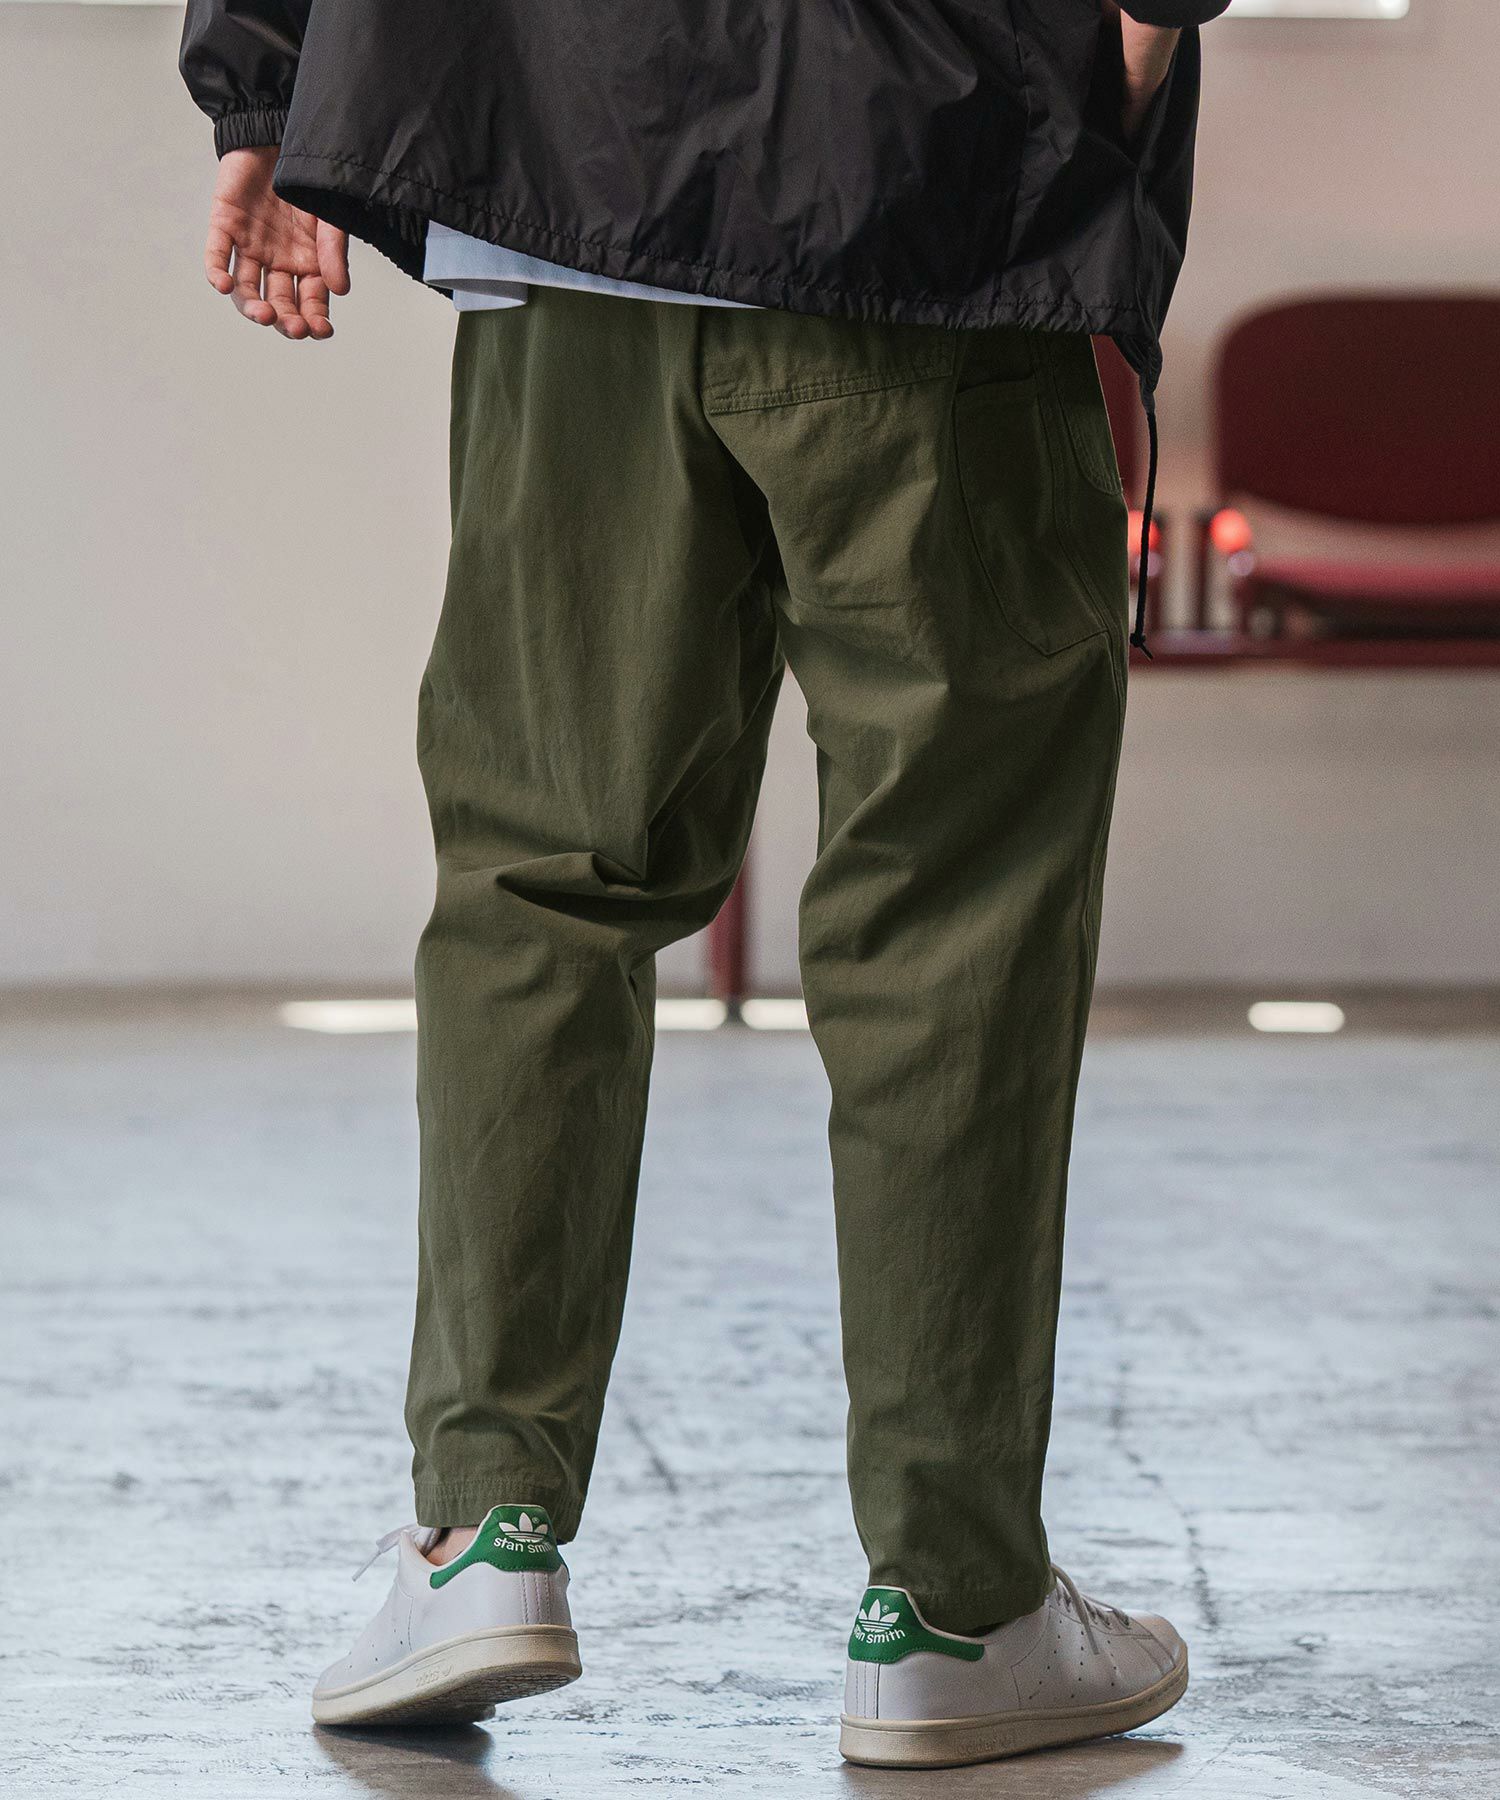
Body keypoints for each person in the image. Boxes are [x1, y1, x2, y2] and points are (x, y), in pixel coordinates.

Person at [181, 0, 1229, 1768]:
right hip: (935, 180)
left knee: (540, 881)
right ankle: (956, 1611)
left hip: (560, 171)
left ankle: (482, 1538)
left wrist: (269, 81)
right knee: (954, 922)